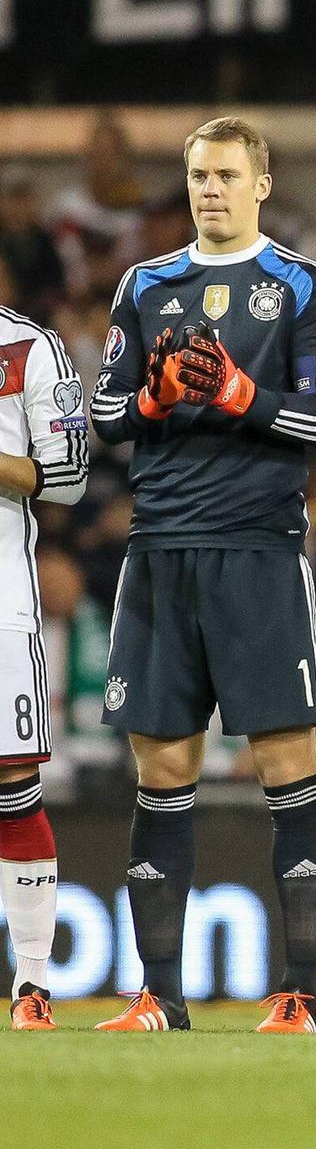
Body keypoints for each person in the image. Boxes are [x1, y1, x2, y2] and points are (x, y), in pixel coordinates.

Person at [89, 117, 316, 1033]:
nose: (211, 189)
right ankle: (160, 997)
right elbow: (106, 413)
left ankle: (301, 996)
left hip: (259, 547)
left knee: (288, 767)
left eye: (228, 174)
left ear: (263, 183)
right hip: (159, 547)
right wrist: (156, 396)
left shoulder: (303, 285)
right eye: (199, 175)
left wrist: (240, 394)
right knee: (161, 767)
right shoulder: (147, 283)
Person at [0, 305, 88, 1029]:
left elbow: (67, 478)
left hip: (2, 604)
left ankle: (32, 986)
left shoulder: (29, 349)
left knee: (13, 787)